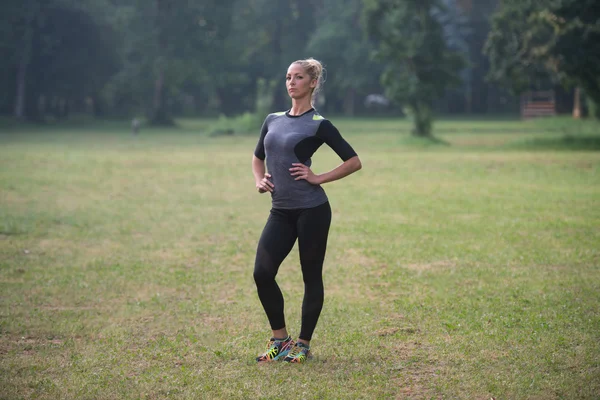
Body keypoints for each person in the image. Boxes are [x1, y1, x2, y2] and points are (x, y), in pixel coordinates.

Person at [252, 58, 362, 363]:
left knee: (310, 276)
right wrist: (259, 180)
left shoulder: (319, 124)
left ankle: (303, 344)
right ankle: (280, 340)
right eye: (288, 77)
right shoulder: (272, 119)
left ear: (312, 83)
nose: (291, 82)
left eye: (298, 77)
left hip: (312, 209)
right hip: (281, 210)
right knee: (262, 273)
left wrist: (318, 177)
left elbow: (353, 161)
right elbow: (257, 156)